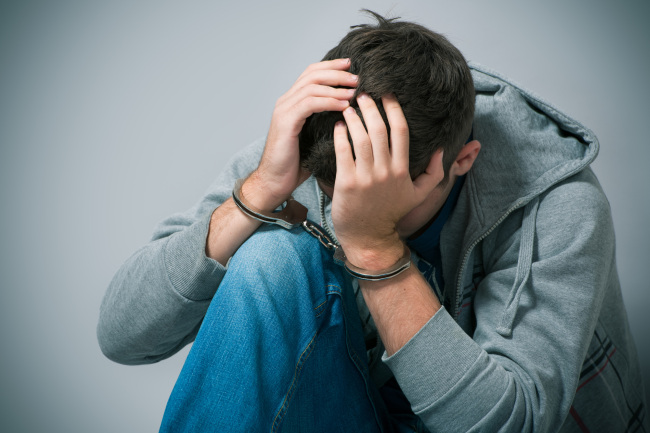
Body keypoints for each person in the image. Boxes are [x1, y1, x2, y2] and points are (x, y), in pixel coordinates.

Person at [98, 11, 648, 433]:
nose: (346, 208)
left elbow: (509, 422)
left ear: (460, 161)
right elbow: (122, 337)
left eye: (382, 195)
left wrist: (374, 247)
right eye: (337, 194)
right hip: (351, 408)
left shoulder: (560, 204)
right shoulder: (304, 161)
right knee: (268, 257)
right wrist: (259, 192)